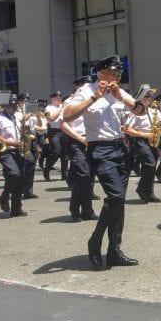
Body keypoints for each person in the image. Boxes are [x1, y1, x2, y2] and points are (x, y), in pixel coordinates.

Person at [63, 55, 140, 270]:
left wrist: (122, 97)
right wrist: (93, 98)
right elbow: (67, 116)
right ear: (102, 72)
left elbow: (140, 110)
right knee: (116, 196)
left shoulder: (118, 90)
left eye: (121, 72)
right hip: (100, 150)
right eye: (116, 72)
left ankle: (114, 251)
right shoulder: (86, 90)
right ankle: (95, 240)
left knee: (119, 202)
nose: (119, 76)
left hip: (120, 148)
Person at [61, 76, 97, 222]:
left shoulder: (92, 101)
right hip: (75, 140)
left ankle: (87, 211)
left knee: (90, 177)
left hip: (91, 140)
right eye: (83, 86)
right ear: (77, 87)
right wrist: (79, 138)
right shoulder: (70, 101)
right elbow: (63, 124)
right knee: (83, 175)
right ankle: (74, 208)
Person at [123, 91, 161, 203]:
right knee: (151, 164)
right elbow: (127, 129)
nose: (149, 99)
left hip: (152, 140)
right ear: (140, 98)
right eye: (146, 96)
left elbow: (159, 124)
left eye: (150, 97)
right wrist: (144, 134)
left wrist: (159, 125)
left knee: (150, 167)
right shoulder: (135, 112)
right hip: (140, 140)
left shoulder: (154, 111)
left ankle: (149, 193)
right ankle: (141, 188)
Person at [0, 93, 27, 217]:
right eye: (12, 105)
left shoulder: (19, 116)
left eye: (15, 105)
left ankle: (16, 209)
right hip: (6, 150)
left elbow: (24, 130)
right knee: (14, 174)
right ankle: (4, 196)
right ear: (5, 106)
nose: (15, 107)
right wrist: (13, 142)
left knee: (20, 179)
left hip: (19, 150)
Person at [42, 91, 67, 181]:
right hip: (54, 132)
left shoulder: (64, 106)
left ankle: (64, 175)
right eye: (57, 98)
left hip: (65, 131)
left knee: (65, 155)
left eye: (60, 98)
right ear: (52, 99)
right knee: (56, 151)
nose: (59, 99)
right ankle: (47, 169)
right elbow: (51, 119)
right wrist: (60, 110)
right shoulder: (47, 108)